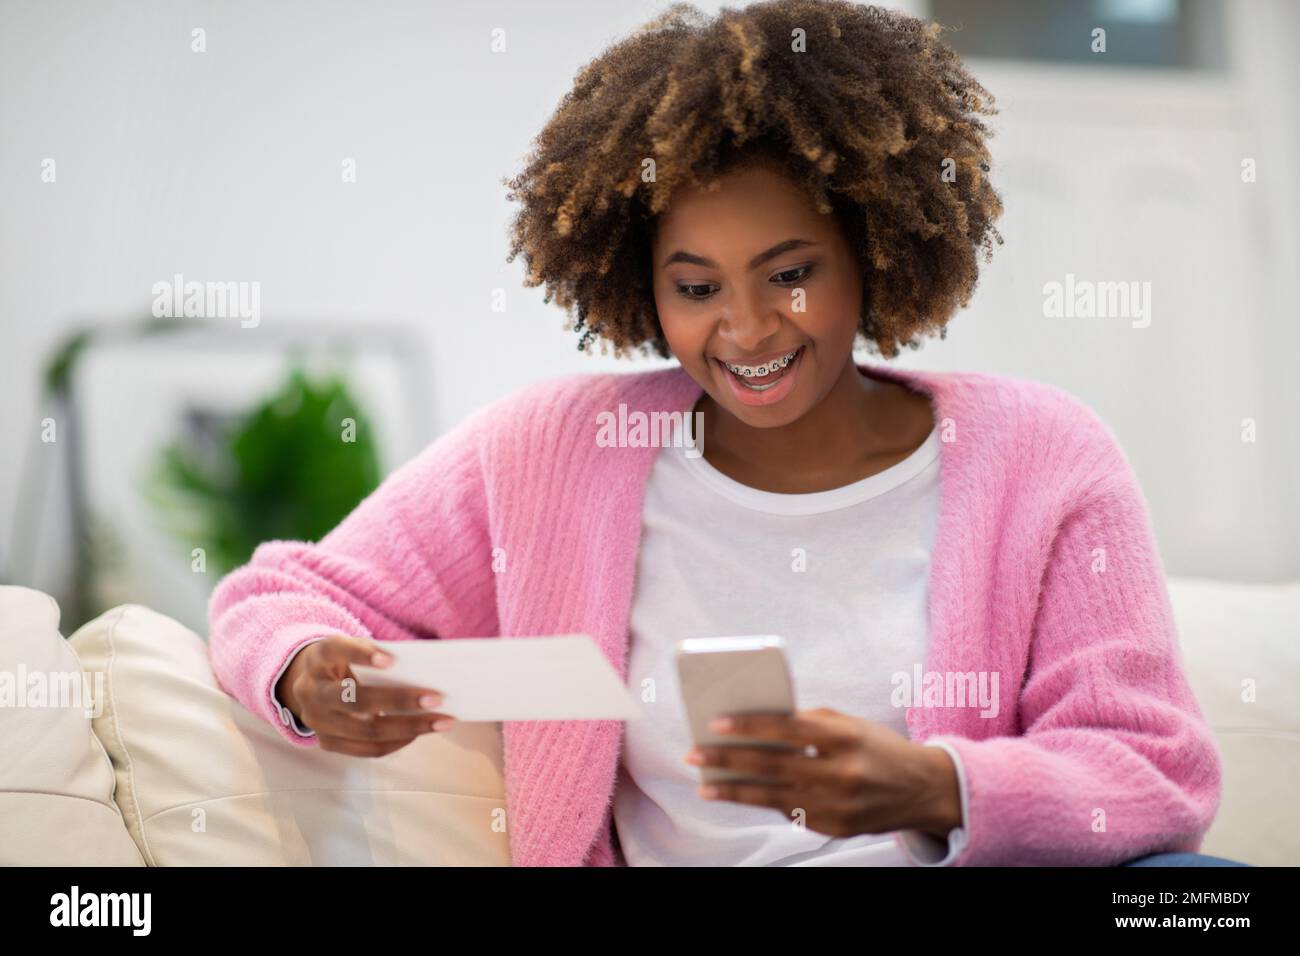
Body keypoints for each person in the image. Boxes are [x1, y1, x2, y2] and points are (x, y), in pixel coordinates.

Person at [207, 0, 1226, 866]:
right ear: (638, 288)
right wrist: (305, 670)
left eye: (790, 273)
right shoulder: (554, 450)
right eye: (695, 288)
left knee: (1198, 895)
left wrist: (934, 785)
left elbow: (1151, 766)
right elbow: (280, 593)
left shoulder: (1041, 453)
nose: (743, 330)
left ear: (871, 249)